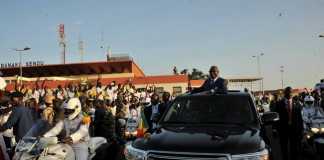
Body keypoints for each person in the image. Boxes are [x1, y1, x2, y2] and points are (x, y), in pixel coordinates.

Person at [275, 87, 303, 160]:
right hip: (283, 129)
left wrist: (301, 129)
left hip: (294, 129)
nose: (290, 94)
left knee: (294, 147)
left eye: (291, 92)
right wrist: (274, 129)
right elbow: (276, 118)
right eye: (288, 92)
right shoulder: (279, 104)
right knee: (284, 147)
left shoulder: (297, 103)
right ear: (285, 93)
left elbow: (300, 118)